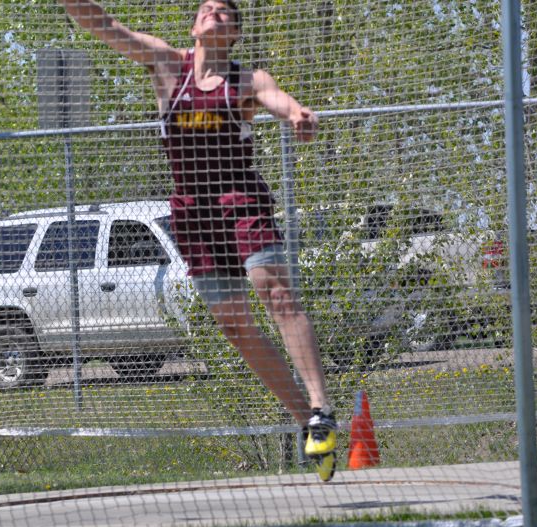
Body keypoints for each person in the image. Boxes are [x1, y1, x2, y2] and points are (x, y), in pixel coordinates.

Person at [60, 0, 337, 480]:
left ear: (233, 34)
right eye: (207, 8)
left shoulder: (249, 80)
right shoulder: (167, 65)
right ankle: (308, 423)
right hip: (193, 214)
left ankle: (321, 407)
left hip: (240, 200)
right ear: (193, 26)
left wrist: (298, 117)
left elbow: (284, 103)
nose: (215, 12)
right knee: (234, 326)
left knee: (275, 291)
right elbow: (104, 26)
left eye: (226, 11)